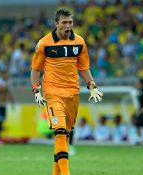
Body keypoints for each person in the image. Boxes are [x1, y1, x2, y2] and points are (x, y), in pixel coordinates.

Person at [30, 8, 103, 175]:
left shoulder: (79, 42)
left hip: (73, 93)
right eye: (64, 22)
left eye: (70, 22)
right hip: (52, 92)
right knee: (60, 132)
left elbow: (83, 68)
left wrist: (92, 86)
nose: (68, 25)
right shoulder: (44, 43)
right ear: (57, 24)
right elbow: (35, 70)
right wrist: (37, 90)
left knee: (65, 134)